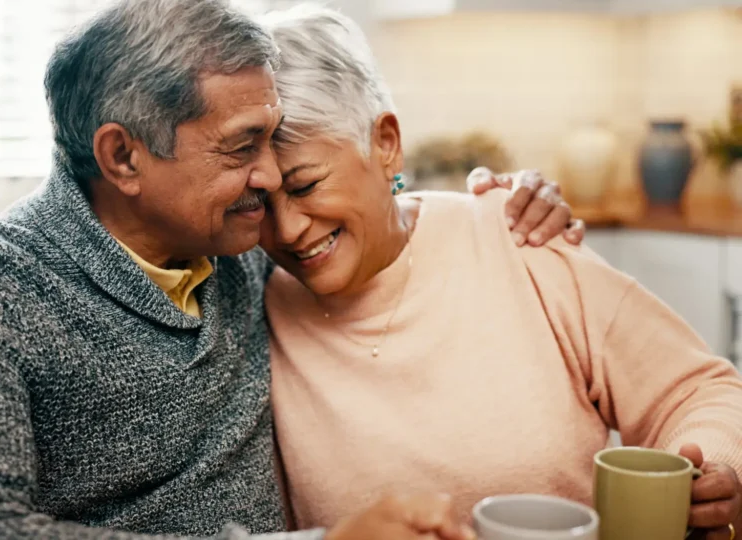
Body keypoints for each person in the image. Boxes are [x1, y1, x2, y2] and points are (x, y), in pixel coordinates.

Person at [0, 0, 581, 538]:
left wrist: (502, 205)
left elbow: (369, 214)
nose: (269, 175)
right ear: (123, 158)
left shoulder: (241, 246)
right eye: (241, 146)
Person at [258, 5, 742, 540]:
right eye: (257, 202)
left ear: (386, 144)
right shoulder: (254, 302)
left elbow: (698, 390)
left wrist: (710, 470)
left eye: (304, 186)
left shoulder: (517, 237)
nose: (287, 229)